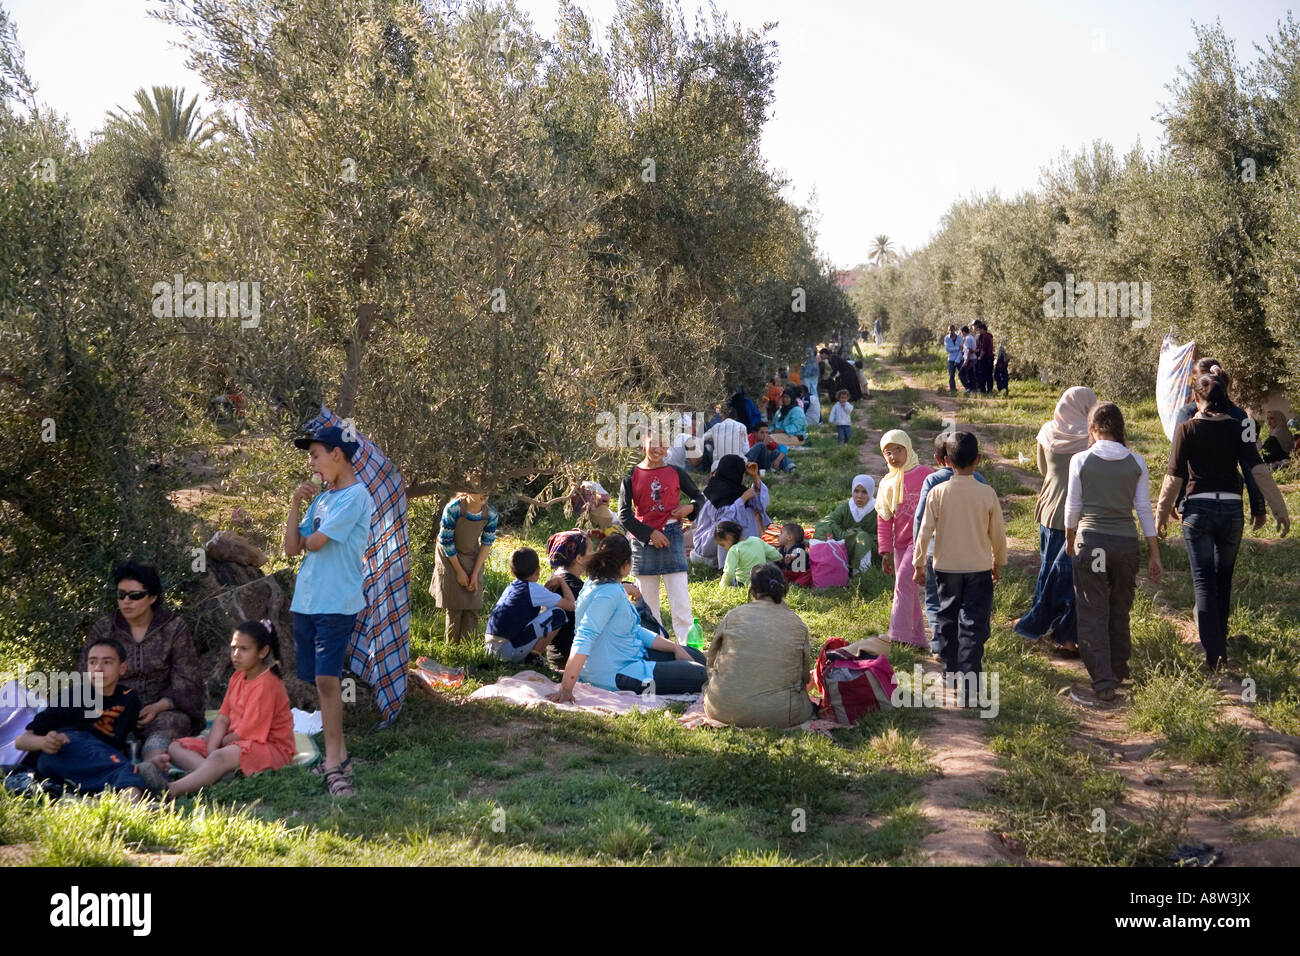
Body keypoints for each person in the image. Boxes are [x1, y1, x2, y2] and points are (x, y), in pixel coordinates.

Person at [1156, 374, 1291, 671]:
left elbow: (1173, 477)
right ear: (1225, 397)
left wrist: (1162, 513)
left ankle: (1215, 654)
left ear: (1195, 399)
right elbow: (1258, 470)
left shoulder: (1187, 428)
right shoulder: (1239, 427)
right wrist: (1280, 510)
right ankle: (1220, 642)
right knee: (1223, 580)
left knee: (1204, 581)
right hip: (1231, 511)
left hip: (1198, 511)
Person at [286, 424, 375, 798]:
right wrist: (294, 504)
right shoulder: (320, 500)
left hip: (337, 603)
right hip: (305, 602)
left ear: (337, 454)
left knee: (327, 681)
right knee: (316, 680)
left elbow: (316, 542)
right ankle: (339, 756)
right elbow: (292, 547)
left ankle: (334, 761)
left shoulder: (355, 496)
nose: (312, 463)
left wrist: (307, 536)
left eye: (315, 455)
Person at [1064, 404, 1162, 701]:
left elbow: (1073, 506)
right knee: (1120, 608)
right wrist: (1154, 552)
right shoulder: (1136, 462)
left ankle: (1103, 682)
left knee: (1093, 610)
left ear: (1092, 429)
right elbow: (1144, 509)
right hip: (1125, 545)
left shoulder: (1081, 460)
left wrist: (1070, 541)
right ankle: (1118, 667)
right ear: (1120, 429)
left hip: (1092, 542)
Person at [140, 620, 295, 798]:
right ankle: (216, 774)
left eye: (244, 649)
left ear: (263, 652)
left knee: (219, 756)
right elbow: (222, 717)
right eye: (233, 648)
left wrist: (217, 748)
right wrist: (212, 747)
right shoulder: (238, 676)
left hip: (267, 746)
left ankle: (171, 790)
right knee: (175, 747)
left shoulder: (267, 684)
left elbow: (248, 733)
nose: (236, 655)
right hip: (234, 743)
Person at [78, 561, 204, 768]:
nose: (126, 601)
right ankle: (113, 763)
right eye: (121, 595)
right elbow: (86, 674)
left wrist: (158, 707)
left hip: (160, 710)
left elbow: (188, 680)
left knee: (172, 723)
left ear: (152, 597)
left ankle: (151, 763)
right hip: (112, 707)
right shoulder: (104, 629)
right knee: (91, 725)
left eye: (135, 596)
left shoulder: (173, 628)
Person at [548, 535, 706, 700]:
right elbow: (584, 637)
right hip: (615, 674)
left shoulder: (599, 584)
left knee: (696, 656)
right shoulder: (609, 593)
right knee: (701, 675)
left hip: (630, 657)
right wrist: (566, 688)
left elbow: (634, 630)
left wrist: (675, 648)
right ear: (625, 565)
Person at [912, 433, 1006, 703]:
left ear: (946, 461)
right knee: (973, 625)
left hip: (946, 568)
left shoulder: (937, 492)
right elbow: (997, 533)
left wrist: (919, 564)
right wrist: (998, 561)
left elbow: (925, 531)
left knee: (948, 616)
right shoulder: (986, 493)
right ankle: (970, 686)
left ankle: (949, 671)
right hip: (978, 568)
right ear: (978, 459)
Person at [1014, 386, 1097, 654]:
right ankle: (1067, 635)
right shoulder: (1091, 439)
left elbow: (1042, 469)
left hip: (1049, 508)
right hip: (1080, 514)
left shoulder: (1048, 432)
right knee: (1076, 578)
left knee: (1047, 570)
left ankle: (1040, 626)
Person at [15, 637, 147, 798]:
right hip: (65, 750)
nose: (98, 668)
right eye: (92, 662)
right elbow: (21, 741)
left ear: (122, 668)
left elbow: (123, 738)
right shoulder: (74, 696)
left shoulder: (129, 699)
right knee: (126, 770)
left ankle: (96, 798)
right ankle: (134, 811)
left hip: (99, 759)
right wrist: (44, 742)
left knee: (121, 768)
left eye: (107, 662)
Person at [703, 564, 817, 727]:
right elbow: (804, 676)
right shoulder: (798, 625)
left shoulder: (733, 616)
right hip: (780, 715)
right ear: (783, 590)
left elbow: (711, 661)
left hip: (721, 709)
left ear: (752, 591)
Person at [618, 433, 705, 642]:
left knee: (681, 600)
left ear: (667, 449)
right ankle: (655, 649)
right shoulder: (631, 475)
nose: (657, 449)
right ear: (643, 445)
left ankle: (688, 649)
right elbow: (624, 514)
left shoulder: (675, 472)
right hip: (642, 541)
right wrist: (649, 534)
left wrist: (689, 507)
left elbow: (700, 497)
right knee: (647, 604)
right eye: (653, 444)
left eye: (663, 445)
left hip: (673, 537)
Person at [915, 434, 989, 655]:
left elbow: (921, 519)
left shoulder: (932, 480)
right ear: (975, 458)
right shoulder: (981, 481)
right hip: (972, 554)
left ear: (939, 459)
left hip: (935, 553)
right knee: (966, 602)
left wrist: (917, 557)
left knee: (935, 599)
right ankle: (964, 643)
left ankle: (940, 646)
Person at [1169, 359, 1265, 523]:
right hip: (1231, 496)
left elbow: (1178, 463)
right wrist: (1258, 506)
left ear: (1198, 383)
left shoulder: (1187, 413)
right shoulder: (1241, 416)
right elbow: (1250, 465)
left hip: (1194, 497)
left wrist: (1173, 500)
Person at [878, 430, 934, 646]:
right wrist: (885, 550)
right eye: (887, 453)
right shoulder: (887, 482)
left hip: (922, 540)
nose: (893, 456)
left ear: (908, 448)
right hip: (900, 544)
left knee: (903, 582)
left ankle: (898, 636)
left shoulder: (926, 474)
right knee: (907, 590)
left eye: (898, 450)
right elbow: (884, 519)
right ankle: (918, 639)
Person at [430, 489, 498, 645]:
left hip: (472, 556)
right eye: (479, 487)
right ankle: (452, 648)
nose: (484, 492)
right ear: (467, 490)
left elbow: (486, 544)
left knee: (472, 603)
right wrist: (459, 571)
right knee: (455, 606)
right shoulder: (453, 509)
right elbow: (446, 541)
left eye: (487, 487)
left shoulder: (491, 514)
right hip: (449, 557)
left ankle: (468, 649)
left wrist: (475, 573)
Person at [485, 548, 575, 664]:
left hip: (491, 649)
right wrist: (561, 581)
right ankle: (533, 658)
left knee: (541, 614)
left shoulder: (511, 587)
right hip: (507, 651)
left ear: (511, 573)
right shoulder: (533, 588)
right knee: (558, 614)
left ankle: (529, 656)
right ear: (538, 571)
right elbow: (571, 605)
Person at [692, 454, 771, 567]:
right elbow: (725, 521)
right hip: (708, 544)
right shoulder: (713, 493)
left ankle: (747, 554)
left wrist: (755, 477)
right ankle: (726, 566)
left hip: (734, 543)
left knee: (750, 511)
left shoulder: (739, 490)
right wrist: (742, 499)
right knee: (725, 527)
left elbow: (762, 506)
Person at [544, 529, 594, 669]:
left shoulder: (559, 579)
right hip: (569, 663)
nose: (594, 554)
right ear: (579, 558)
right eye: (591, 551)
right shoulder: (572, 586)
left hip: (559, 658)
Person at [815, 474, 878, 575]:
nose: (859, 496)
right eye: (856, 491)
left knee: (862, 537)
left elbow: (884, 536)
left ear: (871, 493)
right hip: (846, 546)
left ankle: (862, 575)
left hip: (871, 550)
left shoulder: (878, 510)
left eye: (864, 492)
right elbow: (827, 521)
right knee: (824, 526)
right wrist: (843, 534)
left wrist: (859, 534)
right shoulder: (846, 507)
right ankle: (824, 564)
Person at [716, 520, 782, 588]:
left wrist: (722, 586)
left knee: (732, 580)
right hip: (762, 580)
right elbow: (775, 555)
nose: (724, 548)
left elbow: (729, 572)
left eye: (723, 545)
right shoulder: (756, 540)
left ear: (729, 537)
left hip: (743, 583)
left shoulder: (734, 550)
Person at [801, 346, 822, 424]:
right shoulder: (813, 359)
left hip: (807, 374)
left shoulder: (806, 354)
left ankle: (811, 417)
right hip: (814, 373)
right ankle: (818, 418)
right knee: (814, 395)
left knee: (807, 395)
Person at [974, 320, 995, 394]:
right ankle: (989, 389)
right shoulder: (989, 335)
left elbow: (984, 349)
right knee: (988, 374)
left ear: (983, 329)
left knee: (984, 374)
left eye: (980, 329)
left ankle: (985, 390)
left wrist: (980, 357)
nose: (978, 331)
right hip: (990, 357)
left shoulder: (985, 337)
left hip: (986, 358)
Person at [943, 325, 963, 392]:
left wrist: (957, 359)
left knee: (962, 374)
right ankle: (953, 390)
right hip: (951, 359)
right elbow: (948, 349)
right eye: (949, 330)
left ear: (954, 330)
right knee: (951, 375)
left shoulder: (959, 338)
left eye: (952, 330)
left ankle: (968, 388)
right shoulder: (946, 338)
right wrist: (957, 348)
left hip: (959, 359)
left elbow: (961, 350)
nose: (951, 331)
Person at [960, 325, 977, 393]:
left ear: (964, 332)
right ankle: (973, 389)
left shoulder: (968, 338)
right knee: (970, 374)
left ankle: (967, 388)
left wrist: (966, 361)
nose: (962, 334)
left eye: (962, 333)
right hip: (972, 358)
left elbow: (969, 350)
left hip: (970, 359)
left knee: (961, 374)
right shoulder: (971, 337)